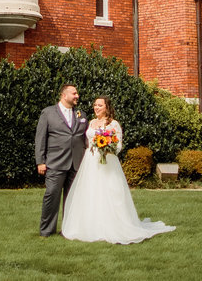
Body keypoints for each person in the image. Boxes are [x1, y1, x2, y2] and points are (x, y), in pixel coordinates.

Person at [61, 96, 175, 244]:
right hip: (90, 161)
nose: (96, 108)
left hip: (108, 161)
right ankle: (91, 225)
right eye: (95, 105)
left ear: (107, 107)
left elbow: (119, 145)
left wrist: (107, 147)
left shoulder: (114, 124)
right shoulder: (91, 122)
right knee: (91, 191)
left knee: (110, 192)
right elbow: (87, 142)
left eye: (100, 105)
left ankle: (114, 225)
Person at [35, 83, 86, 237]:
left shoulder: (81, 114)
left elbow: (84, 137)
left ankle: (69, 230)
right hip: (55, 162)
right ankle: (47, 230)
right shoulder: (48, 113)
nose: (77, 96)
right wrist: (40, 161)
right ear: (64, 95)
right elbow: (40, 138)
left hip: (76, 163)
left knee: (72, 199)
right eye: (74, 93)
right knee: (51, 195)